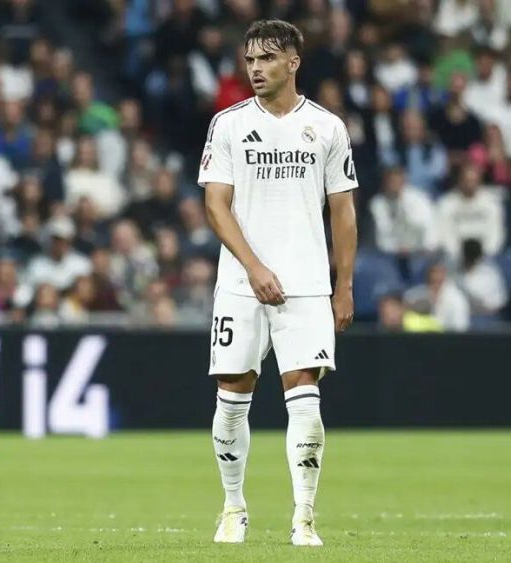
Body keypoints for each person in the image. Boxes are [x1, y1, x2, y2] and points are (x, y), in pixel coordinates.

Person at [197, 20, 358, 547]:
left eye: (266, 59)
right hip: (242, 285)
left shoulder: (328, 128)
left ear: (293, 62)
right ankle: (233, 507)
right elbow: (215, 206)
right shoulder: (227, 125)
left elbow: (344, 211)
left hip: (307, 283)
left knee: (305, 397)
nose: (255, 69)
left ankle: (304, 518)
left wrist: (344, 285)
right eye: (249, 60)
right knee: (231, 395)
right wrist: (253, 267)